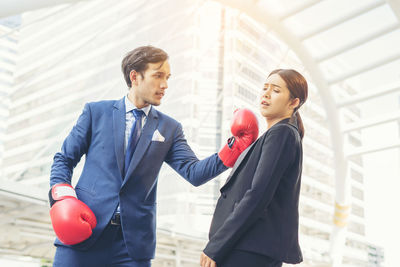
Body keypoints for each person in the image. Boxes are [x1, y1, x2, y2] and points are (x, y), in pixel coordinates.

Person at [48, 45, 259, 267]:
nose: (165, 85)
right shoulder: (95, 112)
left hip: (132, 247)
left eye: (167, 77)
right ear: (135, 76)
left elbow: (194, 173)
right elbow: (64, 159)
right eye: (158, 76)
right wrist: (63, 199)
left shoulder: (170, 128)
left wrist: (235, 147)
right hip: (84, 233)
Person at [200, 69, 308, 267]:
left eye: (275, 90)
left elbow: (258, 195)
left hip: (248, 249)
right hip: (246, 247)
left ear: (294, 102)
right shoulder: (275, 135)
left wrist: (216, 246)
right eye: (265, 88)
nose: (265, 94)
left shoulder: (282, 133)